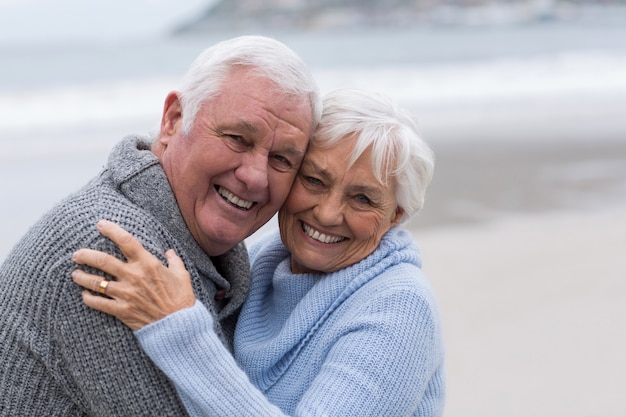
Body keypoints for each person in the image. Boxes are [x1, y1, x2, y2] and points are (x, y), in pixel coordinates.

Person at [72, 88, 446, 416]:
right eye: (315, 180)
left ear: (396, 215)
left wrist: (180, 329)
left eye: (362, 198)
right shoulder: (265, 259)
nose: (328, 213)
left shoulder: (398, 307)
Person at [0, 35, 321, 416]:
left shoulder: (198, 248)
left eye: (282, 159)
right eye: (237, 138)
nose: (255, 177)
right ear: (173, 120)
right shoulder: (116, 251)